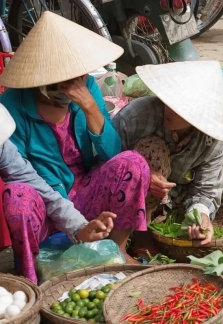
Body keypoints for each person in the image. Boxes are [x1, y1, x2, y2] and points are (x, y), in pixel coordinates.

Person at [0, 13, 149, 282]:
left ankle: (116, 249)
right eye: (59, 83)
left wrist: (90, 108)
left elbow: (113, 156)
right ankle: (31, 275)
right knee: (16, 196)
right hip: (43, 200)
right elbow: (21, 174)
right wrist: (72, 221)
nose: (70, 88)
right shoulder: (13, 103)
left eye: (76, 78)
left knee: (133, 163)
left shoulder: (87, 86)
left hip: (86, 191)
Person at [114, 61, 223, 248]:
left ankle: (215, 216)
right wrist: (141, 174)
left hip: (183, 191)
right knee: (152, 149)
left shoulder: (214, 137)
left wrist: (199, 215)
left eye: (180, 108)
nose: (169, 110)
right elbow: (107, 163)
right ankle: (142, 232)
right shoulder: (136, 117)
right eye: (169, 101)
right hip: (133, 196)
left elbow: (206, 189)